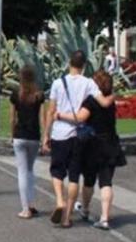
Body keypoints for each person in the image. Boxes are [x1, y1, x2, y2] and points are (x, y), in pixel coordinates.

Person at [42, 50, 98, 228]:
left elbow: (51, 110)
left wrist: (46, 134)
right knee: (74, 176)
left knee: (57, 171)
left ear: (69, 63)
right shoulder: (89, 83)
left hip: (60, 132)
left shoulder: (58, 83)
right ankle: (67, 217)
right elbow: (100, 99)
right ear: (83, 66)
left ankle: (60, 200)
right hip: (79, 135)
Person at [76, 70, 121, 230]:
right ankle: (104, 217)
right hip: (110, 143)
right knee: (106, 182)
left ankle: (86, 209)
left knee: (89, 180)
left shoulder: (90, 101)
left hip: (92, 145)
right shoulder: (110, 100)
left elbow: (80, 117)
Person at [10, 64, 45, 219]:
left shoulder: (16, 94)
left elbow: (12, 118)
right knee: (30, 171)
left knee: (22, 172)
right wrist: (45, 136)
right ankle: (31, 204)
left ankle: (25, 209)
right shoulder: (39, 95)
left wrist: (12, 135)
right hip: (33, 136)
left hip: (20, 135)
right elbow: (42, 117)